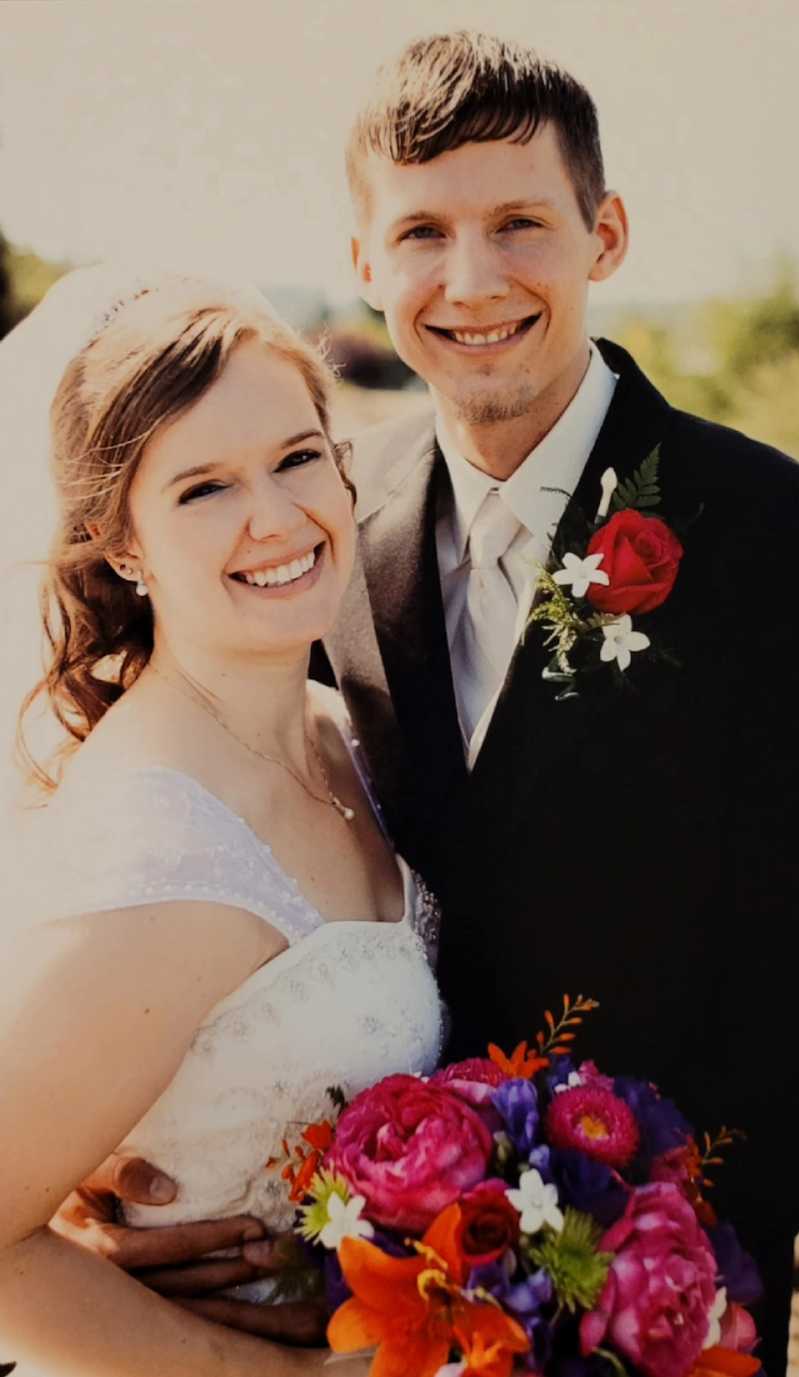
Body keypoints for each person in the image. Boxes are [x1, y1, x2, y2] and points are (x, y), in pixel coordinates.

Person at [53, 33, 799, 1377]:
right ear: (364, 262)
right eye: (423, 234)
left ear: (603, 232)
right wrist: (105, 1177)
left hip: (651, 1334)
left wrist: (578, 1304)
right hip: (353, 1317)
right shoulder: (322, 530)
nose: (471, 280)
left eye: (520, 224)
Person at [0, 269, 442, 1376]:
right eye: (203, 488)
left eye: (297, 457)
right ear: (121, 541)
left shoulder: (346, 733)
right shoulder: (161, 851)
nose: (275, 517)